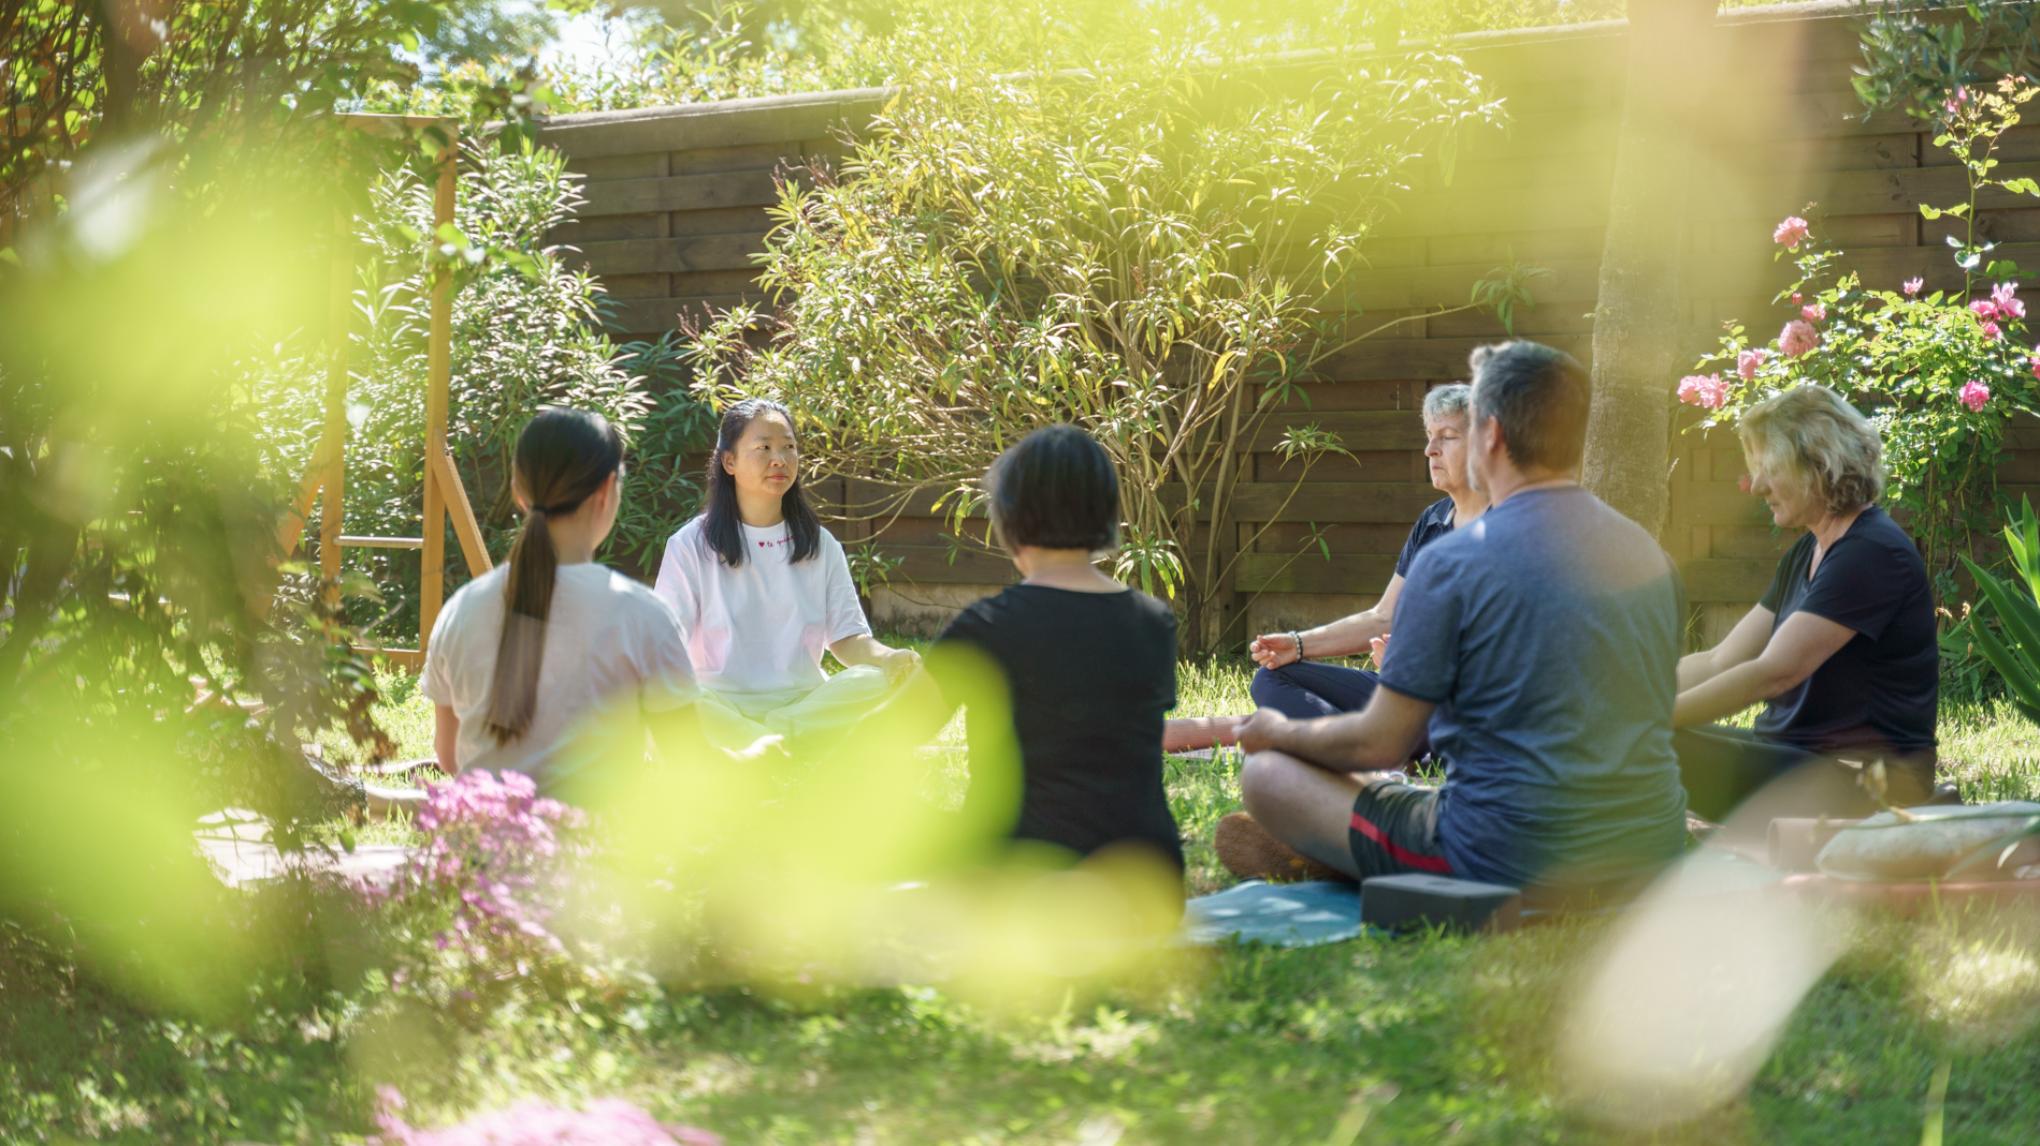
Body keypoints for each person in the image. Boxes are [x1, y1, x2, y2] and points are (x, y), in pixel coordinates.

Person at [1219, 342, 1688, 893]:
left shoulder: (1453, 560)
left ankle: (1357, 854)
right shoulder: (1649, 555)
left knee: (1268, 776)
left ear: (1490, 434)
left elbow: (1380, 744)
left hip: (1509, 851)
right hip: (1652, 842)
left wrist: (1278, 732)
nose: (1433, 449)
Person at [911, 424, 1184, 880]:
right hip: (1148, 885)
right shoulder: (1154, 621)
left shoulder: (988, 627)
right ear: (1105, 514)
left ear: (1011, 518)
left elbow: (897, 731)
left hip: (1028, 886)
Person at [1673, 385, 1937, 821]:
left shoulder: (1870, 552)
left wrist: (1642, 724)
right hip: (1795, 760)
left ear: (1818, 464)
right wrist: (1634, 699)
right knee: (1647, 739)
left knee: (1653, 746)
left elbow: (1772, 675)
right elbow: (1721, 659)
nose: (1756, 486)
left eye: (1768, 468)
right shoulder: (1810, 550)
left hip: (1860, 782)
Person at [422, 407, 701, 793]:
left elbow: (449, 757)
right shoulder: (642, 615)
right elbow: (692, 764)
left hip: (482, 848)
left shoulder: (460, 610)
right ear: (606, 491)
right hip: (598, 849)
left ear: (519, 493)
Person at [654, 398, 919, 748]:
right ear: (729, 461)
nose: (779, 459)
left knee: (875, 682)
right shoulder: (689, 544)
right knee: (674, 696)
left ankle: (760, 741)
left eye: (789, 447)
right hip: (720, 701)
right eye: (763, 447)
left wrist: (890, 658)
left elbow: (847, 638)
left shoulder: (819, 544)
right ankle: (782, 741)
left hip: (803, 702)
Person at [1245, 382, 1488, 720]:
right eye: (1429, 435)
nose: (1430, 450)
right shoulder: (1432, 522)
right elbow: (1384, 618)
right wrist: (1298, 645)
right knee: (1273, 679)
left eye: (1446, 436)